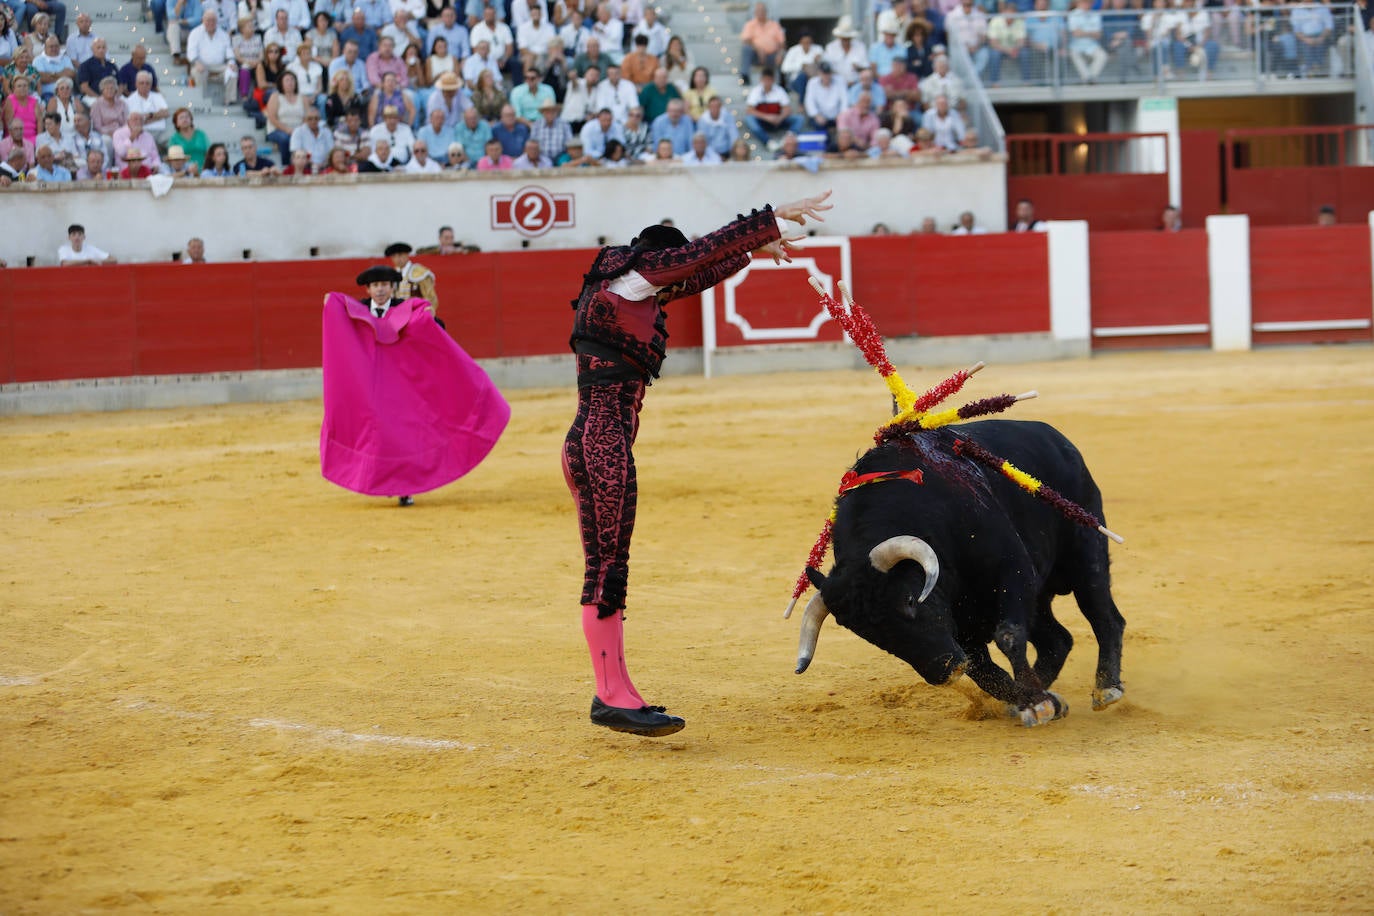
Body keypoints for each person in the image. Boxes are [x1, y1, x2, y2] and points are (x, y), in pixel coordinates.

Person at [562, 190, 832, 737]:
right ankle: (609, 695)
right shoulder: (635, 274)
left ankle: (617, 691)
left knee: (609, 567)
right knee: (606, 570)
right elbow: (693, 259)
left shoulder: (621, 286)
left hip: (598, 441)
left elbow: (697, 274)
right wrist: (767, 221)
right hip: (601, 445)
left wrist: (757, 250)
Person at [321, 265, 509, 509]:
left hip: (403, 388)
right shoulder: (355, 312)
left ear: (393, 288)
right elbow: (332, 303)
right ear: (367, 290)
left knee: (404, 435)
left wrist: (428, 320)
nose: (380, 289)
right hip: (370, 389)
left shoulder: (407, 310)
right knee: (378, 437)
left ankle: (404, 489)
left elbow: (431, 328)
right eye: (375, 285)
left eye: (385, 285)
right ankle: (382, 482)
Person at [738, 1, 784, 85]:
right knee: (746, 49)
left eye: (762, 11)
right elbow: (746, 40)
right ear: (755, 13)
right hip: (755, 55)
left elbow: (781, 42)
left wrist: (780, 53)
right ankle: (745, 76)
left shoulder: (774, 25)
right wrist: (759, 49)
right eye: (758, 11)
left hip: (771, 55)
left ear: (766, 12)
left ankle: (783, 83)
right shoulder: (750, 25)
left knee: (783, 55)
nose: (761, 13)